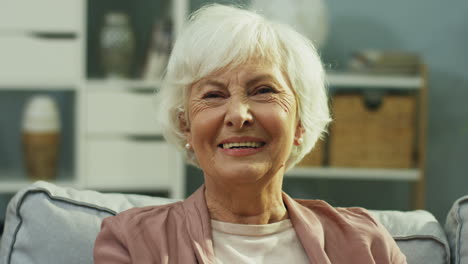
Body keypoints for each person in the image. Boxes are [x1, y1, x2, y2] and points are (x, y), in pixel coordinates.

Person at [94, 4, 407, 263]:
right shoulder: (132, 243)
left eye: (263, 90)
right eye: (213, 95)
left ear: (300, 122)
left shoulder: (366, 245)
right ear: (185, 124)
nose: (238, 115)